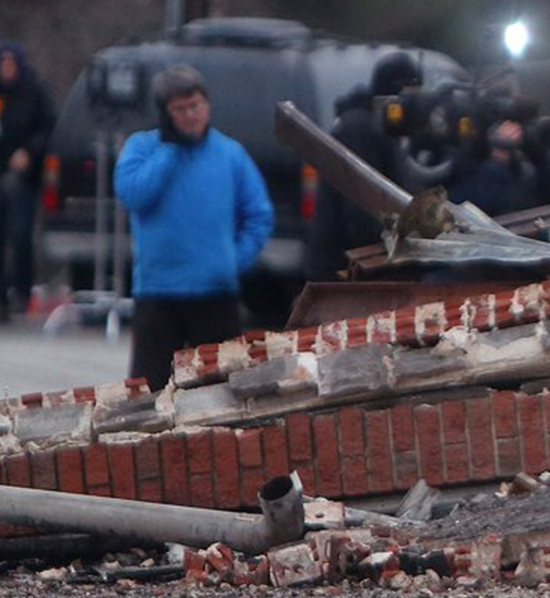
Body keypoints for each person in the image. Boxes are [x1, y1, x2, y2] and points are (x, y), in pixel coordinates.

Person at [113, 64, 267, 389]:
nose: (190, 115)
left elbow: (258, 215)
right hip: (158, 292)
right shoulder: (143, 148)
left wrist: (232, 260)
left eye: (195, 105)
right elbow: (133, 195)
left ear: (207, 104)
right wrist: (169, 151)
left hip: (215, 293)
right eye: (179, 109)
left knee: (221, 389)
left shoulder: (230, 154)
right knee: (149, 392)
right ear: (166, 114)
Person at [304, 49, 422, 284]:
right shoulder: (358, 128)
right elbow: (361, 205)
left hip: (367, 261)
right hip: (346, 266)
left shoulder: (386, 129)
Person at [0, 41, 54, 321]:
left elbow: (48, 128)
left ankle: (22, 291)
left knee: (19, 235)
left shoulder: (33, 92)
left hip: (22, 176)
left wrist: (30, 153)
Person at [448, 115, 550, 219]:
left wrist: (540, 157)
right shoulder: (465, 161)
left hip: (529, 244)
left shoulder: (530, 168)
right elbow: (458, 205)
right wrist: (497, 162)